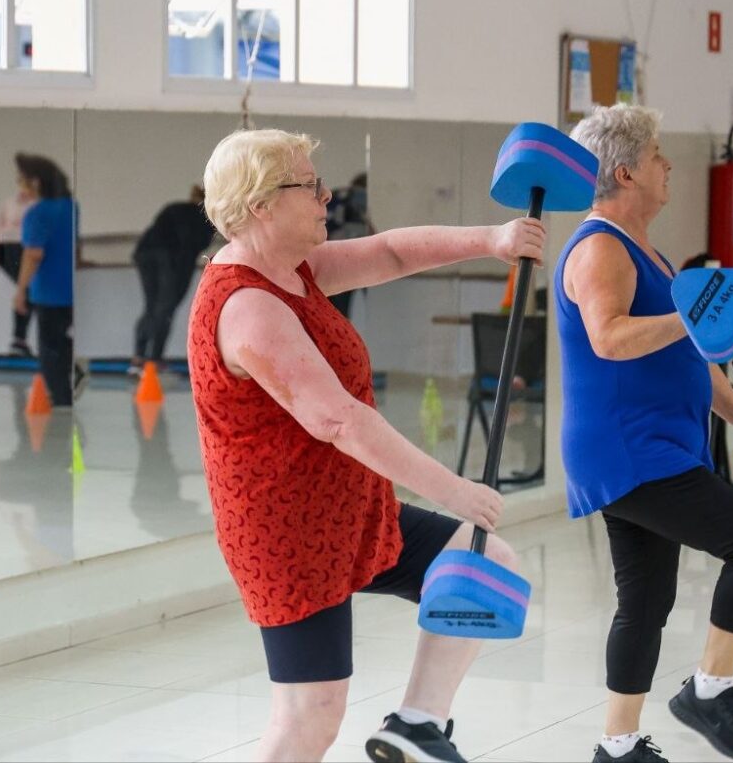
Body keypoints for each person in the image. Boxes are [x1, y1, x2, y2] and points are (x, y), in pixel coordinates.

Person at [188, 129, 544, 763]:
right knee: (310, 715)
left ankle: (417, 724)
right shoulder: (247, 306)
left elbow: (391, 253)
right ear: (262, 203)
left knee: (485, 562)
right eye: (309, 184)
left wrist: (491, 241)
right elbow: (339, 421)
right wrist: (455, 490)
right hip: (286, 533)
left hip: (348, 509)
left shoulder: (291, 269)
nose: (327, 195)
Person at [557, 104, 733, 763]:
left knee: (648, 599)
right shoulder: (600, 246)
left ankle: (618, 744)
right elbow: (610, 337)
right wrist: (691, 316)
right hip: (631, 448)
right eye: (658, 155)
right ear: (626, 172)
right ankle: (710, 689)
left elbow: (694, 356)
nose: (668, 166)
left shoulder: (644, 249)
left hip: (653, 443)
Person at [13, 154, 81, 406]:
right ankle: (67, 389)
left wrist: (20, 290)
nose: (20, 187)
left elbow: (33, 254)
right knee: (63, 343)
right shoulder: (72, 206)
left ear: (37, 183)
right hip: (68, 289)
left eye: (22, 181)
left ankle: (60, 398)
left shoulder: (37, 212)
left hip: (47, 291)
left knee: (48, 348)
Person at [131, 184, 215, 373]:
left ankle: (138, 356)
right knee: (165, 309)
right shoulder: (206, 218)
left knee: (151, 306)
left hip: (145, 254)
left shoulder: (173, 208)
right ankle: (154, 359)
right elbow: (197, 244)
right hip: (174, 262)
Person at [0, 183, 35, 357]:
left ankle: (19, 339)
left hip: (27, 247)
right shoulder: (9, 203)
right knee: (28, 290)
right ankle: (19, 339)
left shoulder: (38, 204)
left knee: (28, 290)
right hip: (9, 248)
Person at [325, 171, 373, 318]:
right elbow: (367, 230)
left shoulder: (334, 196)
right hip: (349, 259)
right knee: (342, 311)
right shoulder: (360, 197)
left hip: (325, 257)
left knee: (330, 309)